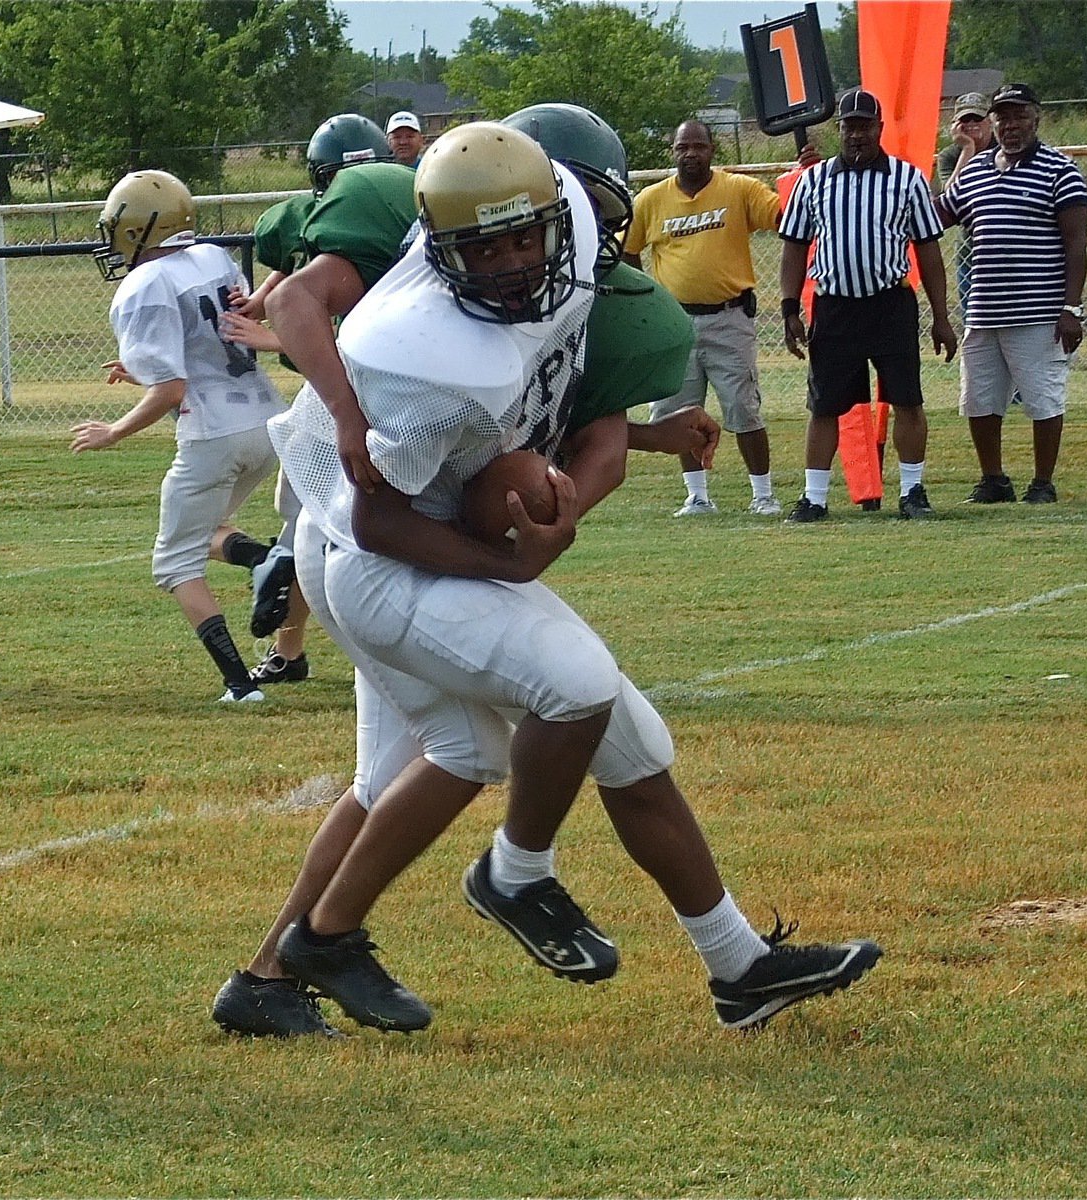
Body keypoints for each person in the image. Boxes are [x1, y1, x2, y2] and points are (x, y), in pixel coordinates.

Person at [214, 122, 881, 1039]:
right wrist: (481, 535)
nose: (512, 263)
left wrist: (632, 447)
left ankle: (740, 966)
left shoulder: (567, 234)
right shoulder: (422, 339)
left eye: (529, 234)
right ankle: (492, 881)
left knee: (617, 746)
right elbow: (375, 506)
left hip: (423, 542)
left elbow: (568, 430)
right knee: (514, 724)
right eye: (482, 245)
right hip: (374, 549)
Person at [70, 170, 285, 702]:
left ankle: (240, 686)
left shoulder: (141, 285)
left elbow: (173, 388)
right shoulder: (212, 256)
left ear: (140, 227)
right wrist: (142, 370)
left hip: (213, 435)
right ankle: (268, 560)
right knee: (209, 530)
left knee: (174, 564)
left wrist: (114, 432)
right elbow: (205, 345)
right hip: (265, 422)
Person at [222, 114, 398, 682]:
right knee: (303, 513)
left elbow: (310, 309)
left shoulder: (318, 218)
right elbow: (294, 270)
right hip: (394, 381)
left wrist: (270, 331)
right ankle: (290, 647)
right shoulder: (402, 206)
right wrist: (263, 300)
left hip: (354, 389)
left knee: (317, 518)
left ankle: (354, 641)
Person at [779, 89, 957, 523]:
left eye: (864, 125)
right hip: (835, 306)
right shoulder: (814, 180)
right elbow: (794, 247)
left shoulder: (907, 179)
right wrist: (788, 308)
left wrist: (940, 315)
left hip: (890, 303)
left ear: (879, 128)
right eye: (849, 126)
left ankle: (912, 491)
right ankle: (814, 498)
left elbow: (929, 250)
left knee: (907, 400)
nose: (857, 134)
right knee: (824, 405)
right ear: (839, 129)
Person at [623, 120, 813, 518]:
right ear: (672, 153)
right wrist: (646, 300)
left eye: (698, 146)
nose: (690, 153)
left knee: (743, 409)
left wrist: (803, 179)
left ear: (712, 150)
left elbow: (785, 218)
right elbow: (629, 251)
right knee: (679, 412)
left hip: (728, 318)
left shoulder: (738, 189)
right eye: (682, 147)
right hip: (674, 324)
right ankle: (698, 496)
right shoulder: (650, 200)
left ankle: (763, 494)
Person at [935, 83, 1087, 506]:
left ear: (1036, 118)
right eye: (1002, 116)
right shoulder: (977, 169)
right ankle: (994, 479)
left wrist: (1070, 308)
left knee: (1042, 397)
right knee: (979, 399)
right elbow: (940, 214)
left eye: (1019, 115)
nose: (1010, 124)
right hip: (984, 308)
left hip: (1038, 310)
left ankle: (1042, 482)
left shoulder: (1060, 170)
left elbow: (1076, 247)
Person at [934, 93, 997, 317]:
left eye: (977, 119)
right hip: (970, 251)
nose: (971, 125)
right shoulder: (950, 156)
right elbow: (950, 196)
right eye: (965, 120)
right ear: (955, 125)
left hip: (1003, 250)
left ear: (990, 120)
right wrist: (968, 150)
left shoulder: (1005, 150)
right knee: (973, 318)